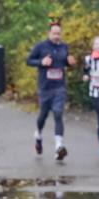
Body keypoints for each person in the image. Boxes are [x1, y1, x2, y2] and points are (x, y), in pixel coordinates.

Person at [26, 17, 75, 159]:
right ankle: (38, 135)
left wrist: (69, 62)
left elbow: (64, 62)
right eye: (54, 33)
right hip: (45, 87)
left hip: (59, 87)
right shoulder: (40, 47)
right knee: (43, 115)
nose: (57, 36)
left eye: (59, 33)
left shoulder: (64, 47)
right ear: (49, 33)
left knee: (58, 113)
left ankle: (59, 146)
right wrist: (42, 62)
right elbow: (29, 61)